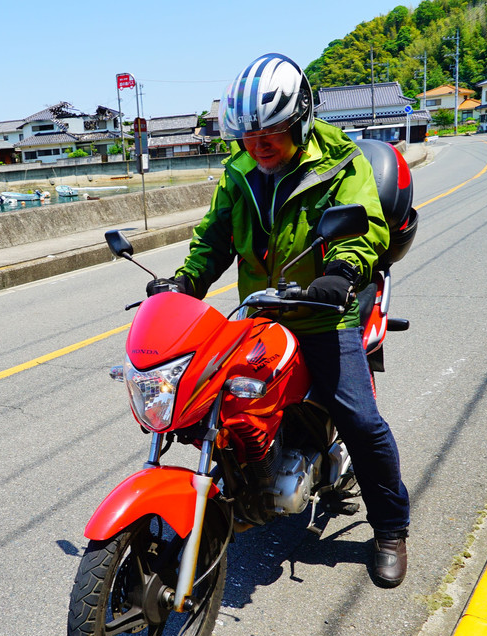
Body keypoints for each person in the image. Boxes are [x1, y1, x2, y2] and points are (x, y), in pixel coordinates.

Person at [147, 53, 410, 587]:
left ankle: (390, 528)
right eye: (248, 135)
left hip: (322, 313)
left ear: (300, 120)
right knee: (209, 403)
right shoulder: (240, 173)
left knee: (361, 422)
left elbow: (363, 230)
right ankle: (241, 490)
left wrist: (340, 273)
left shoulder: (341, 162)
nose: (259, 144)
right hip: (261, 312)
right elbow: (214, 239)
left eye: (272, 132)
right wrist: (184, 282)